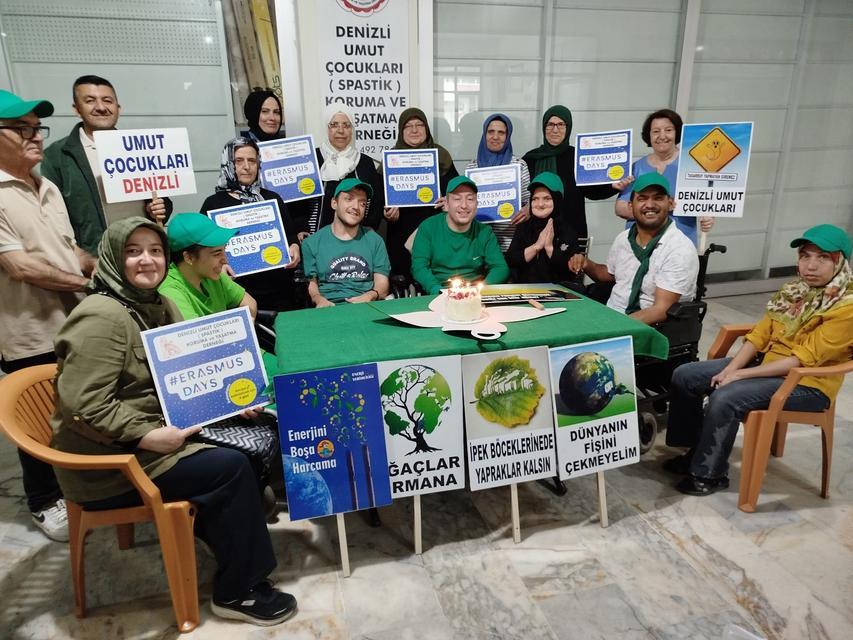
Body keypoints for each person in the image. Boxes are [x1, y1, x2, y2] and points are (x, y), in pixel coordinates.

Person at [50, 217, 298, 625]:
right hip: (108, 466)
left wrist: (229, 402)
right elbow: (84, 406)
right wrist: (146, 435)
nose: (146, 261)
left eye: (154, 251)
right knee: (230, 468)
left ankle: (231, 536)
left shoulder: (155, 305)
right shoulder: (100, 317)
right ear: (112, 258)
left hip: (147, 438)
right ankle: (239, 590)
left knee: (253, 443)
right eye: (133, 252)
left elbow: (188, 373)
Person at [664, 224, 853, 496]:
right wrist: (731, 368)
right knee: (686, 375)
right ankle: (695, 449)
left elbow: (802, 359)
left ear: (839, 262)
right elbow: (760, 335)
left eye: (823, 257)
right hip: (768, 366)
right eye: (805, 256)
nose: (811, 265)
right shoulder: (793, 291)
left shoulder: (845, 307)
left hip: (808, 383)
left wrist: (738, 376)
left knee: (727, 395)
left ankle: (709, 473)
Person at [0, 89, 98, 542]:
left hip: (72, 325)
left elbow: (69, 250)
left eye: (38, 128)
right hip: (28, 331)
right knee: (38, 418)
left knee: (74, 410)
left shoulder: (49, 186)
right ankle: (43, 501)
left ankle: (80, 486)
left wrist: (102, 268)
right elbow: (19, 266)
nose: (35, 137)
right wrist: (85, 284)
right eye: (22, 129)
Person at [41, 75, 172, 255]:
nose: (101, 107)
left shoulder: (139, 147)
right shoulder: (57, 156)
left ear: (118, 108)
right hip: (95, 257)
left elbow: (161, 199)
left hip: (143, 252)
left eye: (107, 101)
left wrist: (157, 207)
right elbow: (52, 217)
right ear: (76, 109)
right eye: (90, 101)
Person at [569, 173, 698, 325]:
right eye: (642, 198)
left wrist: (613, 326)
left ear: (670, 203)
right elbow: (610, 275)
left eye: (657, 198)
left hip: (648, 329)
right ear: (631, 206)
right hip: (611, 315)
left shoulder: (679, 248)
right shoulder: (624, 239)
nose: (649, 204)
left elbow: (660, 310)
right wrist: (586, 264)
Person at [200, 137, 302, 311]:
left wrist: (294, 247)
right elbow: (203, 250)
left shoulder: (273, 198)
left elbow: (291, 236)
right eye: (239, 161)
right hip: (236, 294)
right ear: (228, 164)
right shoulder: (213, 204)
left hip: (280, 292)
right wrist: (218, 264)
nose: (246, 166)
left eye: (252, 161)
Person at [614, 108, 713, 247]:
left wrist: (708, 217)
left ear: (677, 133)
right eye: (656, 131)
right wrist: (664, 208)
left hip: (680, 244)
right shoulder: (636, 167)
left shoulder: (693, 166)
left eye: (668, 130)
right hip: (640, 244)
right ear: (648, 135)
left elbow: (707, 202)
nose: (662, 136)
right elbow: (620, 207)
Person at [522, 105, 620, 239]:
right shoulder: (529, 159)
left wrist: (613, 186)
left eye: (561, 124)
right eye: (550, 124)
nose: (555, 130)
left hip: (571, 231)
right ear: (544, 127)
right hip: (535, 234)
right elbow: (523, 195)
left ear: (568, 128)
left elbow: (592, 190)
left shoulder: (578, 157)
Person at [383, 108, 459, 280]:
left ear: (426, 129)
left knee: (435, 277)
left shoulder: (442, 156)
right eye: (408, 126)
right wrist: (387, 213)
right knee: (404, 278)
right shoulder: (391, 159)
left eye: (419, 125)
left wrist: (449, 200)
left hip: (435, 228)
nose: (415, 130)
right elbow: (381, 200)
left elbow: (456, 190)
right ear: (401, 131)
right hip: (401, 229)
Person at [293, 103, 384, 237]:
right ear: (326, 128)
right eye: (334, 125)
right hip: (315, 240)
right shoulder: (311, 159)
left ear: (352, 129)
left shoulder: (364, 162)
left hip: (356, 240)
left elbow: (376, 201)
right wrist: (301, 228)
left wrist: (368, 228)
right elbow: (298, 200)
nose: (341, 130)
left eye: (346, 125)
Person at [411, 176, 509, 295]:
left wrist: (482, 290)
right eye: (457, 199)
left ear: (477, 204)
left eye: (470, 199)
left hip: (475, 295)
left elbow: (500, 268)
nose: (464, 205)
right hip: (438, 292)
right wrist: (436, 290)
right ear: (446, 204)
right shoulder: (428, 227)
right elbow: (419, 267)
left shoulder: (485, 232)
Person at [302, 178, 390, 307]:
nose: (356, 207)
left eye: (362, 203)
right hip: (328, 308)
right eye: (349, 199)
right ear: (334, 203)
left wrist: (370, 295)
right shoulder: (312, 243)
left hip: (367, 307)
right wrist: (319, 299)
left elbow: (382, 284)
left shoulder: (375, 241)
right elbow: (312, 283)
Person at [158, 213, 257, 321]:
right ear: (189, 258)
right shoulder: (170, 292)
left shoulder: (212, 274)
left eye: (224, 250)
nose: (225, 260)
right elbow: (195, 333)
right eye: (217, 253)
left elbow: (249, 304)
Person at [465, 113, 531, 252]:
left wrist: (528, 210)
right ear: (484, 134)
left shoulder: (519, 165)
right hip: (478, 243)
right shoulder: (472, 167)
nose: (495, 137)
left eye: (501, 133)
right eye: (491, 132)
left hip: (511, 243)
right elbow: (466, 200)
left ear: (508, 136)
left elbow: (528, 200)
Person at [505, 172, 580, 286]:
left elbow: (572, 269)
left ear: (557, 199)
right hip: (525, 292)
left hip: (559, 292)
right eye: (535, 199)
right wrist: (536, 247)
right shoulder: (524, 227)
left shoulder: (567, 230)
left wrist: (549, 248)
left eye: (547, 198)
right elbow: (510, 260)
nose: (540, 204)